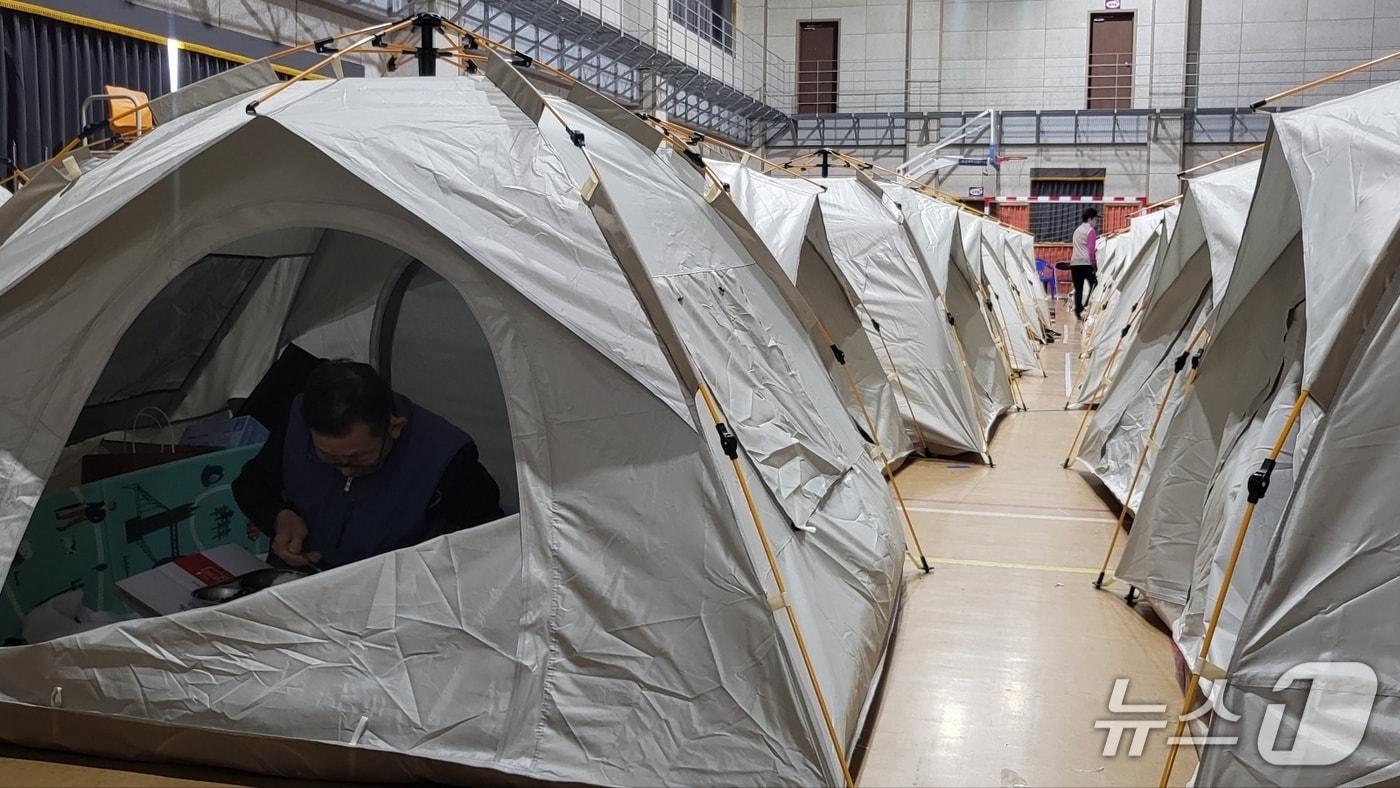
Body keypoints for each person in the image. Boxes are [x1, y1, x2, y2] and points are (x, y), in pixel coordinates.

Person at [233, 360, 502, 569]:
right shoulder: (299, 421)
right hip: (301, 580)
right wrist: (281, 518)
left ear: (394, 427)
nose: (345, 469)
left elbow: (488, 540)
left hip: (397, 598)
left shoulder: (447, 458)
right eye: (327, 456)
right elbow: (252, 483)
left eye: (359, 458)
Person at [1069, 207, 1100, 319]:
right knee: (1095, 284)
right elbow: (1091, 250)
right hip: (1086, 263)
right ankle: (1087, 306)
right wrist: (1094, 264)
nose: (1096, 222)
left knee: (1079, 289)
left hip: (1074, 263)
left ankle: (1078, 311)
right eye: (1095, 220)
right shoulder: (1090, 231)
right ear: (1090, 219)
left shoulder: (1077, 230)